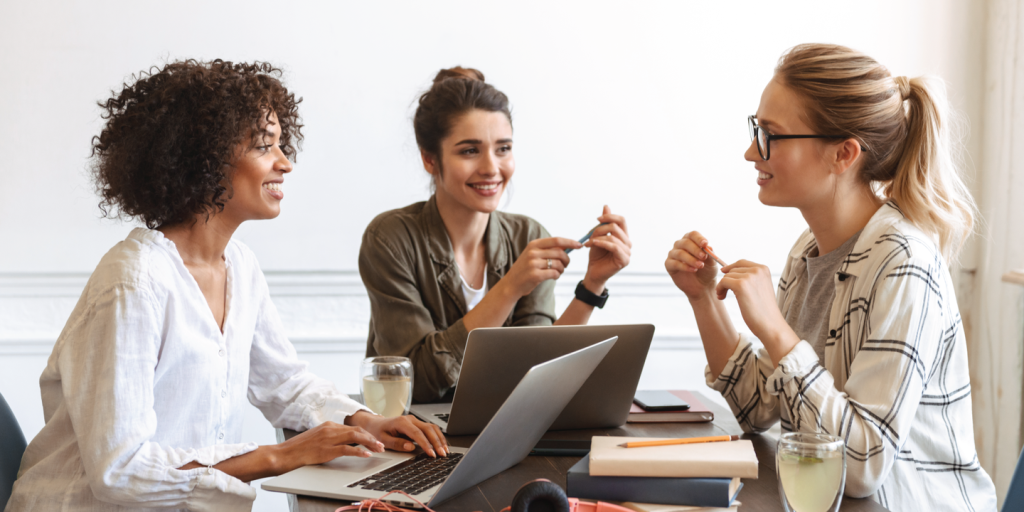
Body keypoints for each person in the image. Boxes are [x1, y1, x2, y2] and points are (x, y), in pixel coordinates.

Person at [5, 60, 446, 512]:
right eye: (263, 147)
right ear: (205, 160)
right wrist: (278, 456)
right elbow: (122, 472)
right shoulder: (133, 284)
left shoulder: (239, 265)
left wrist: (366, 422)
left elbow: (285, 383)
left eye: (281, 144)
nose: (285, 163)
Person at [665, 44, 997, 511]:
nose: (749, 152)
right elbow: (761, 408)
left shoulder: (905, 265)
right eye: (756, 129)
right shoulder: (809, 250)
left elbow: (860, 466)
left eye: (770, 135)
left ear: (843, 153)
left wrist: (776, 332)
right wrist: (704, 299)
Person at [360, 67, 632, 403]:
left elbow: (541, 367)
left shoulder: (527, 235)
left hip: (504, 428)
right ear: (430, 159)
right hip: (417, 433)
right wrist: (510, 287)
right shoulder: (391, 239)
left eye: (503, 149)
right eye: (469, 151)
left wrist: (592, 286)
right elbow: (417, 380)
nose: (492, 168)